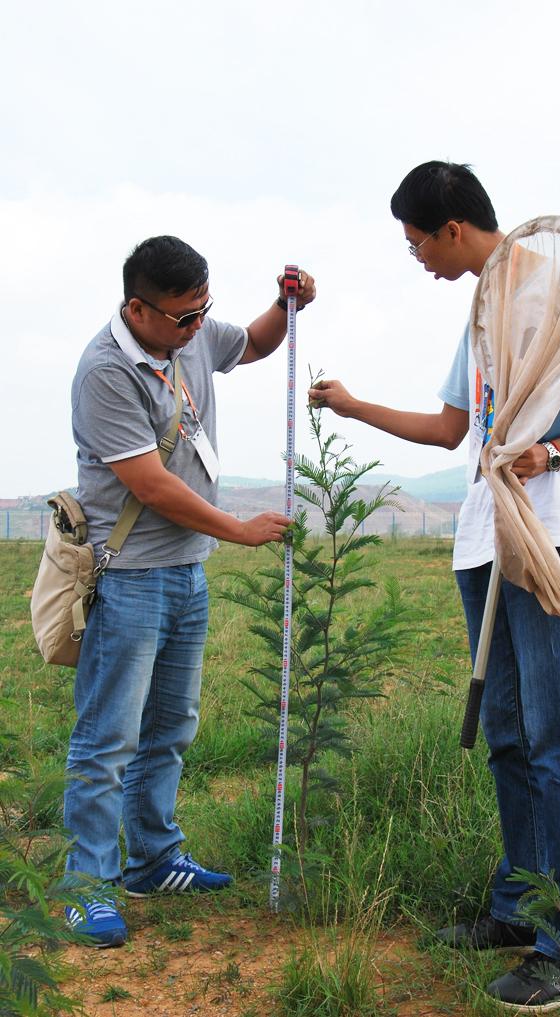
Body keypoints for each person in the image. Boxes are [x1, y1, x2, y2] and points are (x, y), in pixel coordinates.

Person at [309, 162, 560, 1010]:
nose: (418, 258)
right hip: (483, 535)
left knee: (556, 735)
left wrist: (553, 453)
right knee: (506, 731)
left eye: (417, 242)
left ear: (452, 228)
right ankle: (519, 905)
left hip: (549, 534)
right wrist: (353, 406)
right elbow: (454, 428)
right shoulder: (481, 308)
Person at [64, 235, 315, 947]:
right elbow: (150, 484)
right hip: (130, 578)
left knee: (170, 727)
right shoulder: (105, 370)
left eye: (204, 309)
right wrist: (239, 530)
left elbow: (255, 344)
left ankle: (153, 859)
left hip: (185, 572)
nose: (198, 326)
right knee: (107, 738)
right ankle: (86, 886)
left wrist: (286, 306)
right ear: (137, 308)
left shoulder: (190, 334)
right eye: (183, 316)